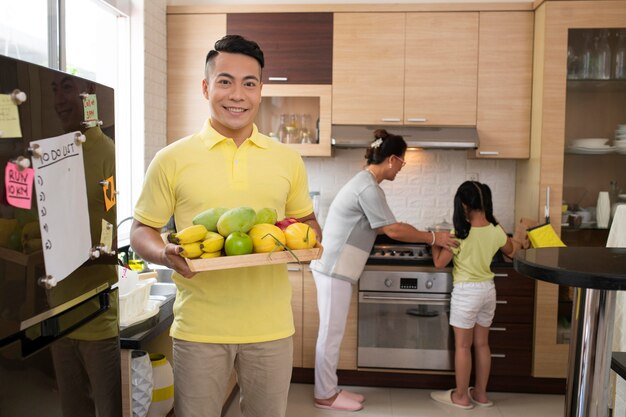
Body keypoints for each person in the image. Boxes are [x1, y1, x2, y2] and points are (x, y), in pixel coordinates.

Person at [130, 34, 321, 417]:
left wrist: (313, 240)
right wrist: (164, 255)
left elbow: (307, 221)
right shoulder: (171, 159)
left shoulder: (286, 160)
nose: (237, 94)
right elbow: (141, 231)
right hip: (199, 329)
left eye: (249, 83)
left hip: (271, 328)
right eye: (225, 81)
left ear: (260, 91)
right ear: (206, 87)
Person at [309, 129, 458, 412]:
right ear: (391, 159)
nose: (402, 168)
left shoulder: (367, 184)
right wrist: (433, 237)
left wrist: (423, 234)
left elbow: (386, 226)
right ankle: (324, 395)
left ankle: (330, 387)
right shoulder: (366, 186)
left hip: (337, 269)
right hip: (333, 269)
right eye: (402, 162)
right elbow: (391, 228)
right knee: (330, 334)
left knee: (333, 333)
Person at [47, 72, 121, 417]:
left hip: (96, 315)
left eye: (67, 88)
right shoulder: (52, 154)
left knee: (107, 408)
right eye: (55, 89)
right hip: (56, 311)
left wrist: (92, 254)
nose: (60, 99)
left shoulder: (104, 152)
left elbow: (111, 227)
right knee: (71, 409)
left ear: (88, 93)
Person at [429, 181, 516, 410]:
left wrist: (435, 242)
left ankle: (461, 396)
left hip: (467, 293)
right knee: (482, 344)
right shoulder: (495, 230)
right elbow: (512, 251)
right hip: (488, 290)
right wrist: (496, 224)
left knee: (463, 347)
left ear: (464, 204)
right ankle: (481, 394)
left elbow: (439, 263)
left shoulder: (460, 233)